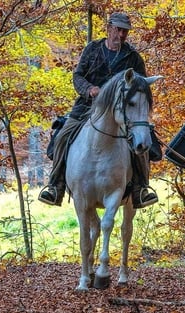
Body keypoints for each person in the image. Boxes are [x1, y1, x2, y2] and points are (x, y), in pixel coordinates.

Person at [38, 12, 158, 208]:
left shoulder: (133, 57)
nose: (121, 35)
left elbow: (141, 85)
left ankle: (141, 189)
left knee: (141, 143)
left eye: (125, 31)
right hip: (86, 108)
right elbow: (78, 76)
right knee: (61, 137)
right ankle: (55, 186)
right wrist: (89, 89)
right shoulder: (92, 50)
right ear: (109, 28)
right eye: (118, 29)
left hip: (121, 111)